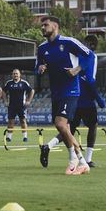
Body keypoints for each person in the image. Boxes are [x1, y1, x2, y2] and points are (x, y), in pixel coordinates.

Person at [36, 16, 91, 175]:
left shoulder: (69, 42)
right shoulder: (42, 48)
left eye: (45, 25)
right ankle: (76, 160)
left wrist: (77, 70)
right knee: (63, 127)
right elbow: (38, 66)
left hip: (71, 90)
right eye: (42, 25)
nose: (43, 28)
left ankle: (78, 160)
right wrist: (39, 69)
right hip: (56, 92)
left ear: (55, 26)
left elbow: (89, 55)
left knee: (60, 124)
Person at [43, 35, 105, 167]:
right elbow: (90, 80)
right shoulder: (91, 56)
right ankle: (87, 159)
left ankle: (49, 145)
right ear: (93, 45)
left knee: (67, 129)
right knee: (93, 126)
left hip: (68, 95)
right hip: (84, 99)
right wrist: (99, 99)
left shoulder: (72, 54)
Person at [2, 69, 34, 143]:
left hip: (21, 106)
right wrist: (5, 101)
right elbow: (3, 91)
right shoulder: (9, 83)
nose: (15, 75)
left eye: (16, 73)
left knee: (23, 121)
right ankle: (9, 138)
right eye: (14, 74)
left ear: (19, 75)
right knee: (10, 122)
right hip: (11, 106)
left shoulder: (24, 83)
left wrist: (28, 101)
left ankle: (25, 137)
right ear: (12, 75)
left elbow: (32, 91)